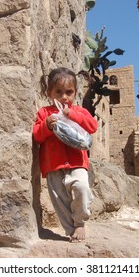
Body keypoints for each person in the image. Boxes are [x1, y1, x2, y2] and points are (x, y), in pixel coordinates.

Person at [32, 67, 97, 242]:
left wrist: (73, 115)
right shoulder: (45, 113)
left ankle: (80, 222)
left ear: (75, 92)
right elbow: (37, 136)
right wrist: (47, 125)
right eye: (58, 92)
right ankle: (71, 230)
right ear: (49, 93)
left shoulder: (79, 111)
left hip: (77, 163)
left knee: (82, 188)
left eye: (69, 92)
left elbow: (92, 127)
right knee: (59, 200)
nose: (64, 97)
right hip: (53, 166)